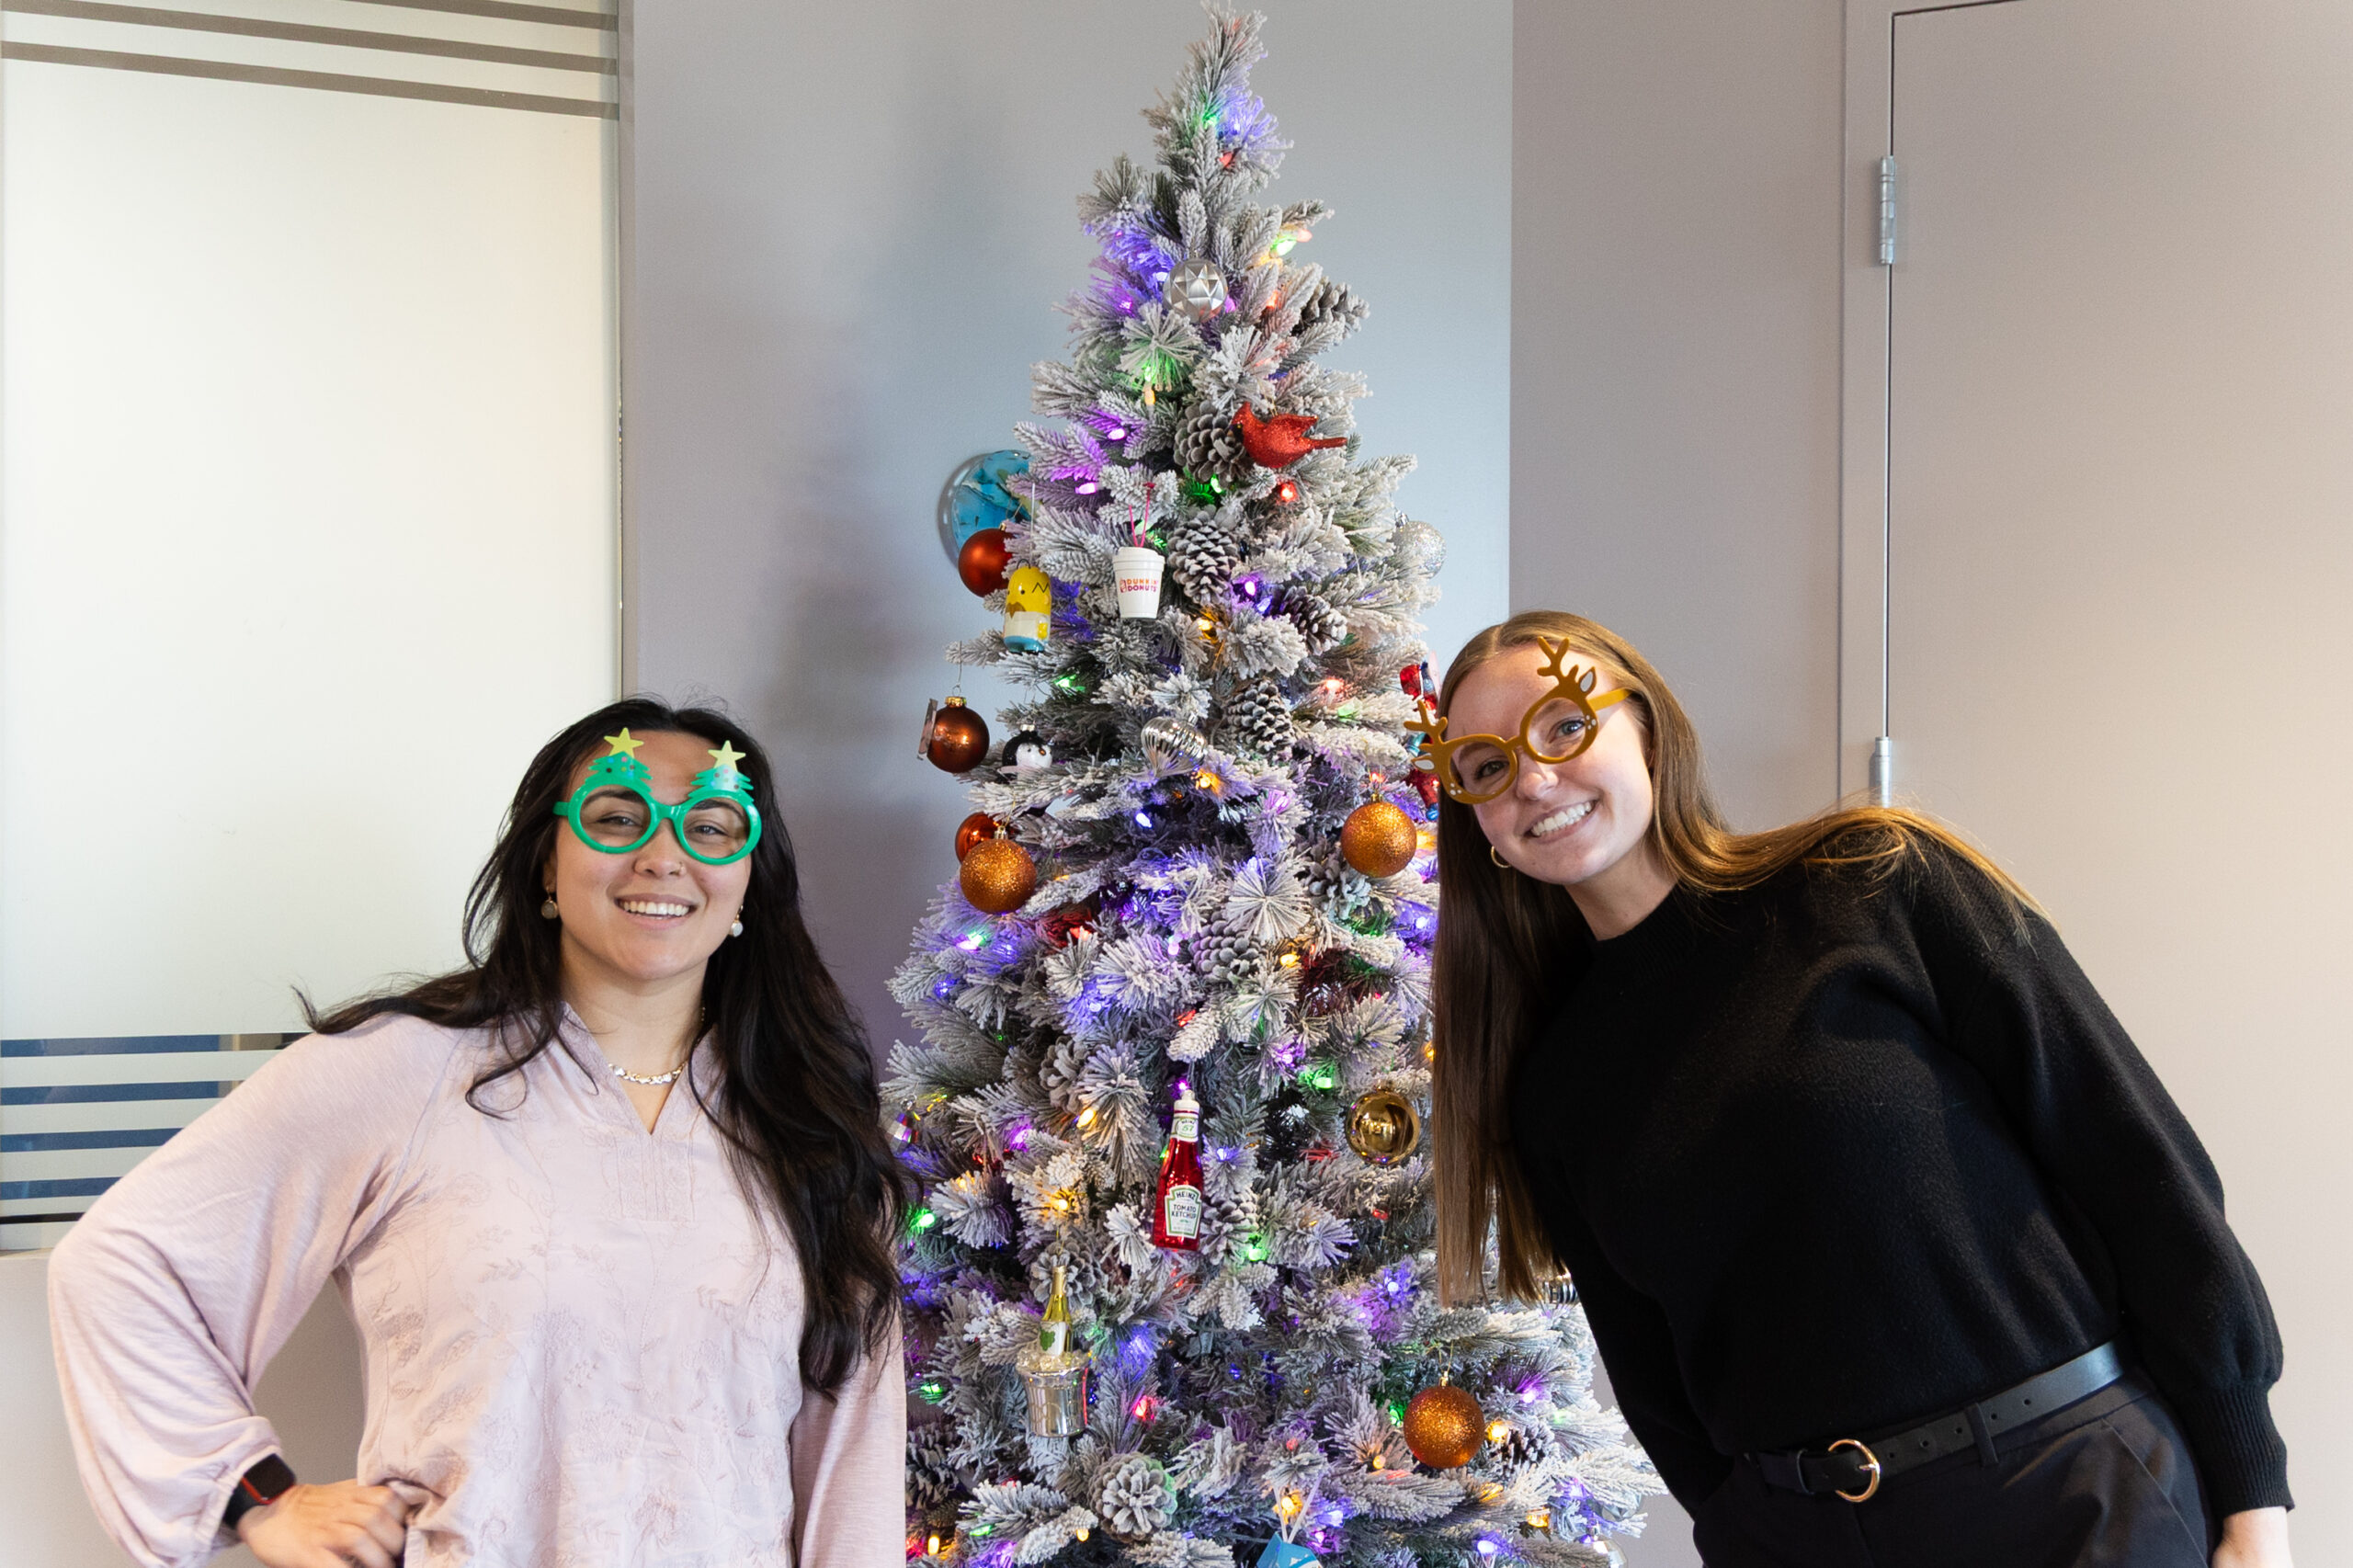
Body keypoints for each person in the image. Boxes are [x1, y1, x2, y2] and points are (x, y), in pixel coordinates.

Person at [1423, 612, 2292, 1568]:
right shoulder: (1555, 1086)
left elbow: (2133, 1160)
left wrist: (2250, 1492)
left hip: (2072, 1496)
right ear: (1481, 826)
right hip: (1805, 1533)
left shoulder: (1869, 880)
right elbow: (1657, 1384)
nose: (1535, 780)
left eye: (1561, 725)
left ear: (1650, 729)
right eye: (1487, 767)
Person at [50, 699, 912, 1568]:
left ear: (746, 882)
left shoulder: (808, 1117)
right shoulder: (404, 1070)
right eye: (618, 817)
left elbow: (849, 1459)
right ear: (547, 862)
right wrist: (261, 1498)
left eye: (713, 825)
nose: (665, 853)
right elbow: (125, 1264)